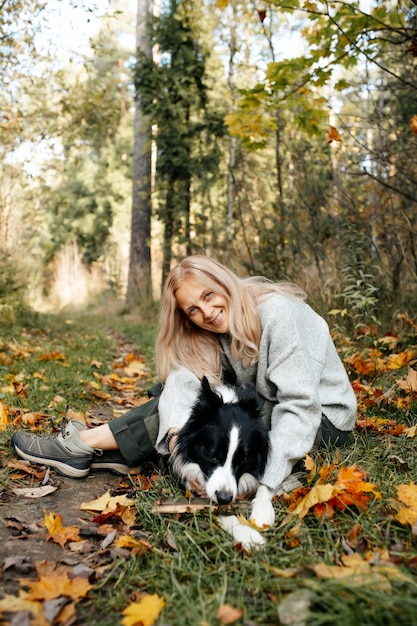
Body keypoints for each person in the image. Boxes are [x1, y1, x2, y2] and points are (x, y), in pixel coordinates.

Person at [12, 255, 357, 499]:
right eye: (193, 309)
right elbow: (183, 381)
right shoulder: (210, 328)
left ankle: (87, 445)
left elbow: (300, 406)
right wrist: (176, 434)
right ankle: (108, 448)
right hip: (267, 408)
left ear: (223, 282)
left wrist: (264, 483)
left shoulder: (278, 314)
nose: (206, 312)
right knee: (190, 401)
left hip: (321, 421)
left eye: (208, 295)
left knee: (213, 413)